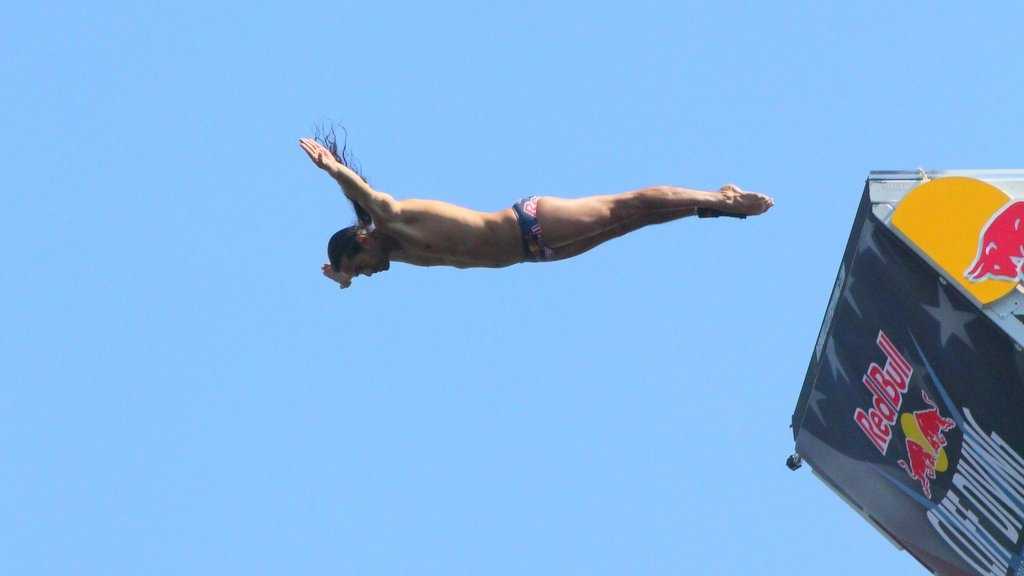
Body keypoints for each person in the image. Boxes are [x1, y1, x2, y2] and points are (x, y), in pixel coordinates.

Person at [299, 136, 773, 289]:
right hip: (536, 252)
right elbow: (357, 265)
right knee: (636, 222)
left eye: (360, 268)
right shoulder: (396, 255)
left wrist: (331, 167)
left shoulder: (393, 219)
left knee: (627, 205)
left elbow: (359, 189)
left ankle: (721, 199)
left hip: (531, 221)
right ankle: (709, 207)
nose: (370, 275)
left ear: (362, 239)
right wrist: (341, 276)